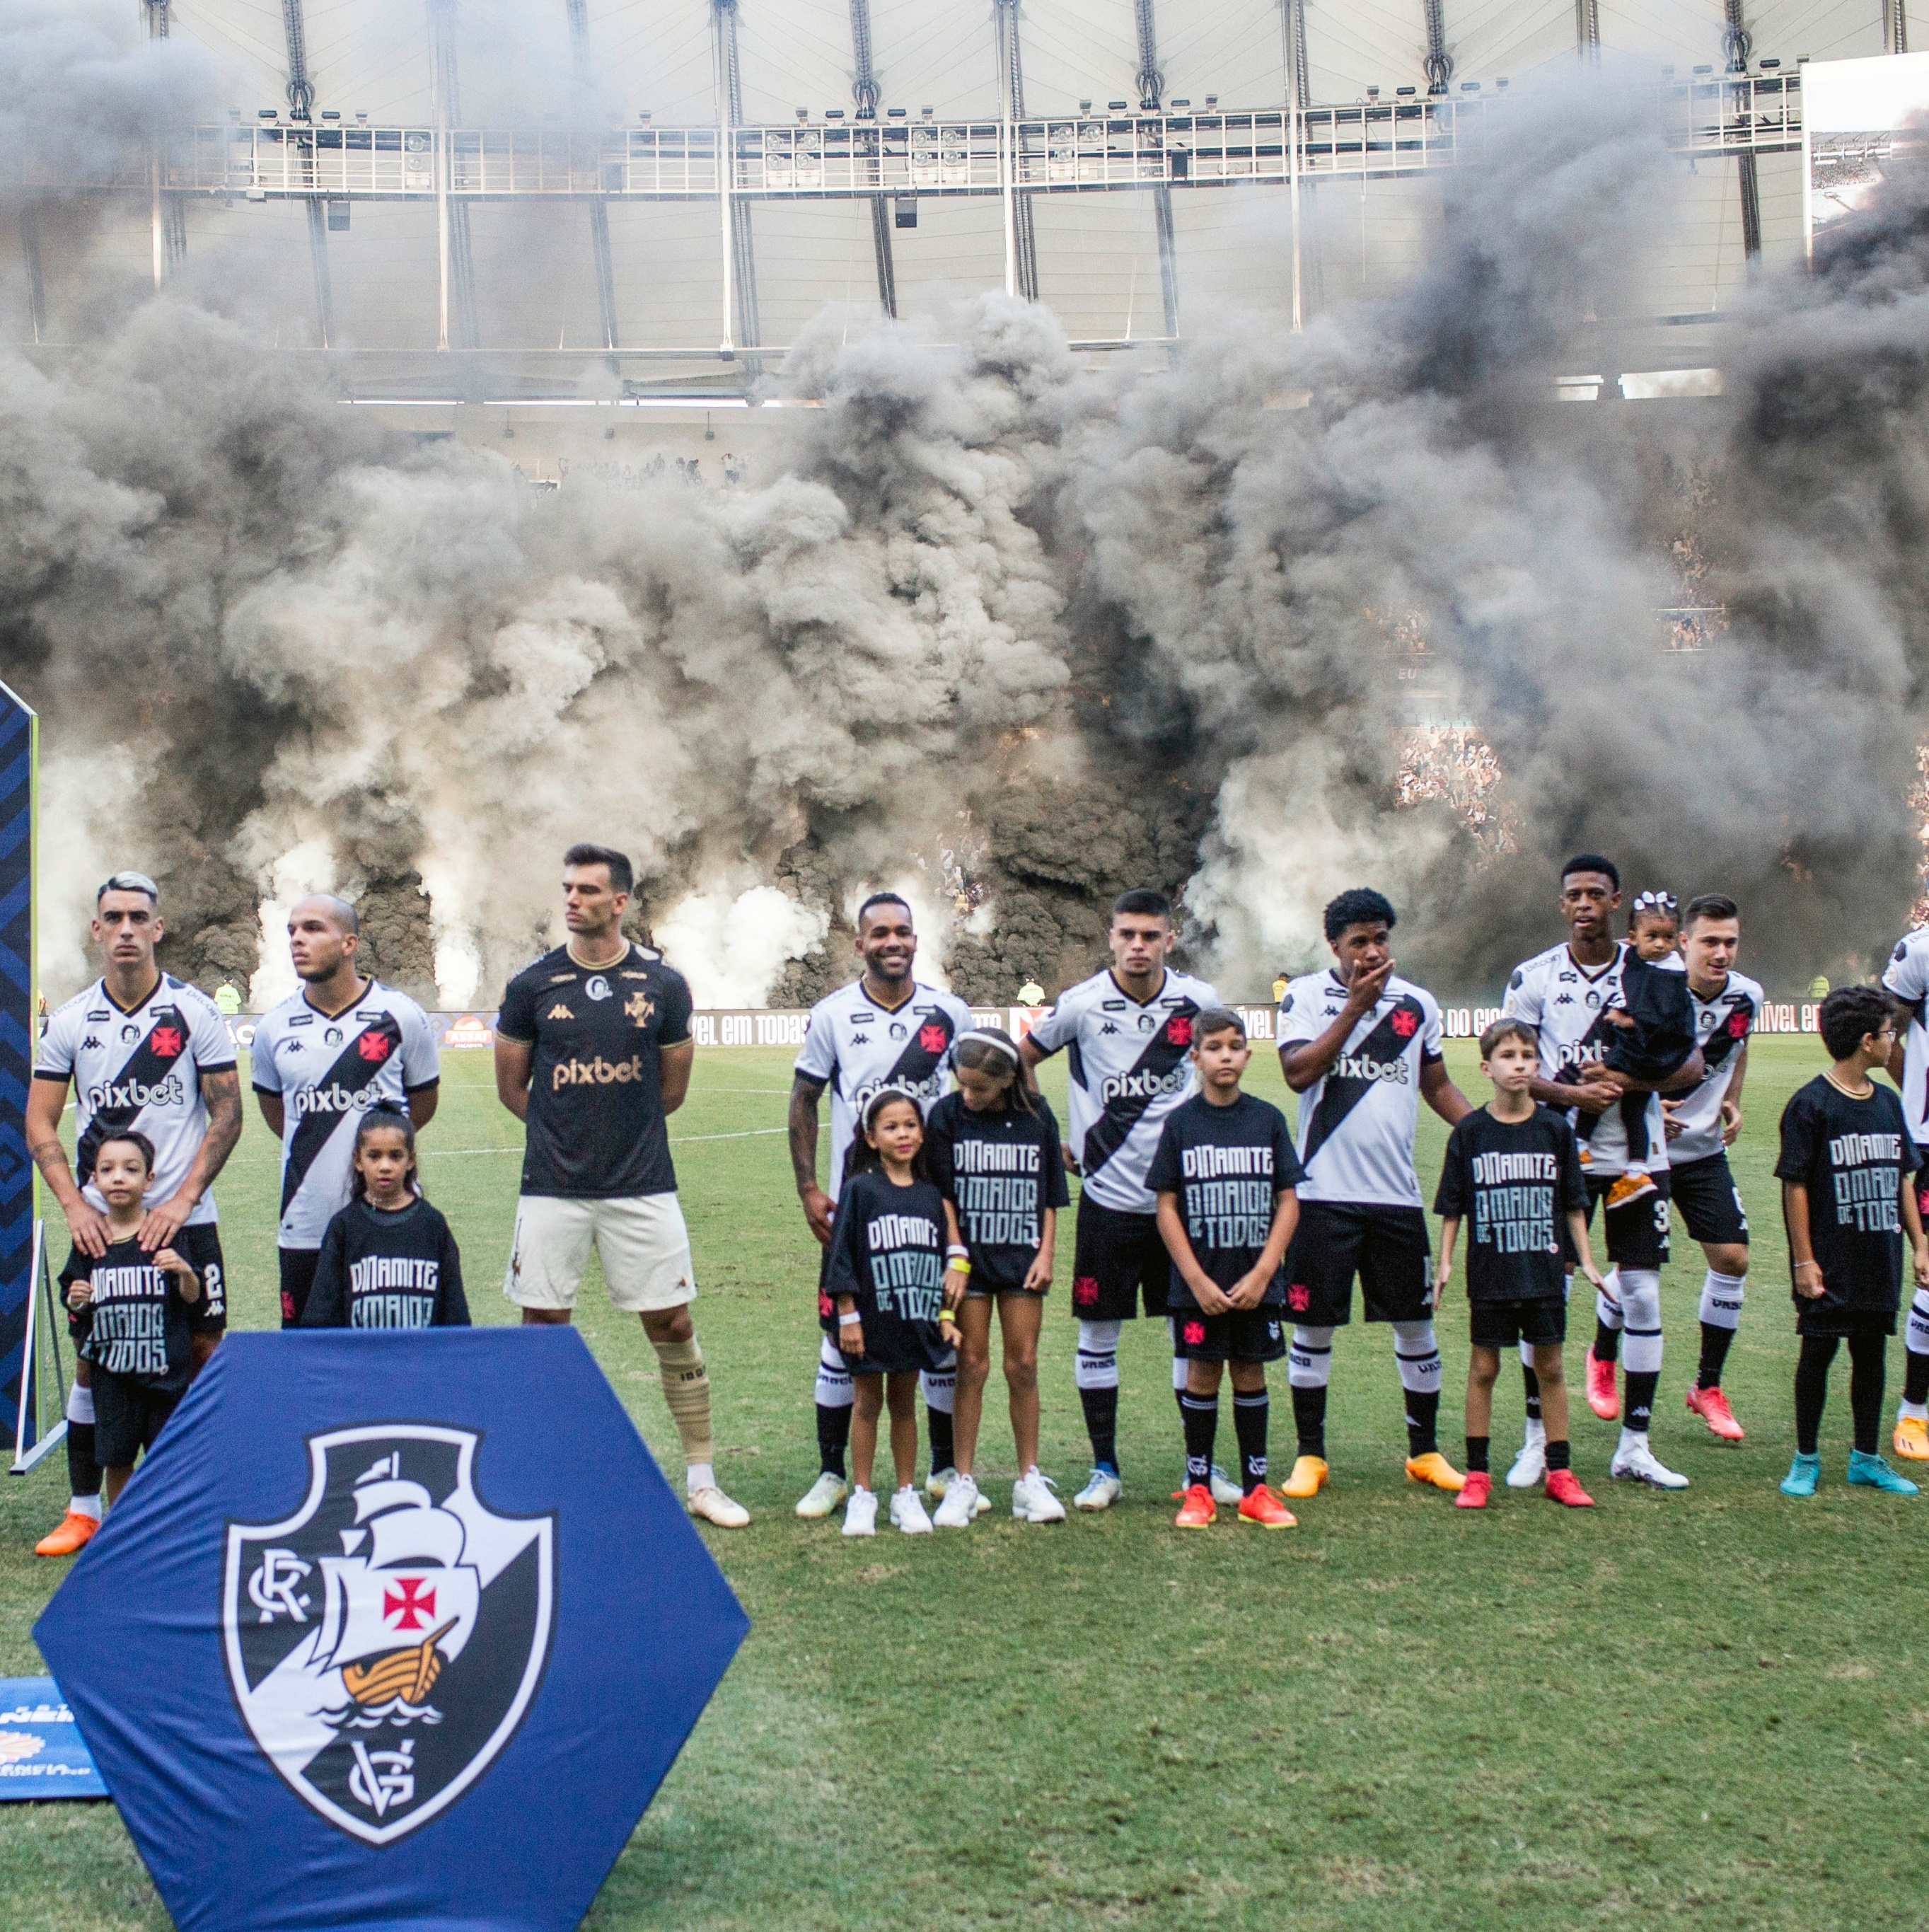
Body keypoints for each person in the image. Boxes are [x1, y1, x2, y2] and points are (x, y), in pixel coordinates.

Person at [494, 844, 746, 1529]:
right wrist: (566, 1134)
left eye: (587, 890)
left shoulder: (663, 985)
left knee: (672, 1322)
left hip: (641, 1184)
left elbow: (671, 1090)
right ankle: (546, 1477)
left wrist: (617, 1132)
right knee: (542, 1329)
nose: (572, 899)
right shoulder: (532, 985)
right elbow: (513, 1088)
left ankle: (701, 1477)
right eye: (568, 888)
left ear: (620, 901)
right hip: (553, 1186)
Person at [27, 872, 241, 1558]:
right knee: (96, 1359)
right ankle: (84, 1508)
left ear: (158, 927)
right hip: (103, 1223)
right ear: (97, 930)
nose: (125, 928)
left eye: (137, 917)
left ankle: (199, 1501)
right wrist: (71, 1206)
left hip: (186, 1218)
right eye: (112, 917)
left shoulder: (194, 1011)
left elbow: (229, 1114)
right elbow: (38, 1122)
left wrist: (180, 1201)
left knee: (203, 1353)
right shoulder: (70, 1022)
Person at [1502, 855, 1703, 1491]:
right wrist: (1569, 1098)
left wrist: (1626, 1080)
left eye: (1596, 893)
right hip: (1560, 1161)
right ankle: (1537, 1438)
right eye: (1573, 895)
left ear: (1616, 901)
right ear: (1561, 904)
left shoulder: (1652, 969)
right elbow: (1512, 1068)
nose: (1584, 903)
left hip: (1638, 1158)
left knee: (1640, 1292)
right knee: (1548, 1298)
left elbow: (1691, 1067)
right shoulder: (1533, 976)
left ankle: (1634, 1446)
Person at [1019, 889, 1224, 1512]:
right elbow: (1021, 1058)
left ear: (1169, 939)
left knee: (1189, 1336)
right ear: (1109, 938)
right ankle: (1103, 1467)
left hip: (1181, 1204)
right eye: (1127, 934)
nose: (1138, 946)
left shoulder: (1199, 1003)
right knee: (1097, 1334)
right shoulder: (1081, 1004)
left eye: (1150, 935)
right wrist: (1048, 1130)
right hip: (1106, 1201)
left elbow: (1223, 1064)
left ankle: (1201, 1472)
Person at [1275, 889, 1473, 1499]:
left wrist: (1486, 1137)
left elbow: (1436, 1085)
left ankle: (1425, 1451)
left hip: (1396, 1198)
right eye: (1358, 940)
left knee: (1415, 1326)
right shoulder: (1306, 996)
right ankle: (1310, 1456)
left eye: (1379, 938)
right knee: (1312, 1328)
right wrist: (1355, 1011)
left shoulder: (1417, 1004)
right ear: (1333, 944)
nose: (1371, 950)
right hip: (1320, 1195)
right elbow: (1297, 1071)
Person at [789, 894, 975, 1519]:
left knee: (932, 1328)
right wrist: (808, 1187)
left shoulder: (949, 1013)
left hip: (926, 1205)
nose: (891, 941)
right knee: (841, 1337)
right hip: (856, 1206)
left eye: (902, 932)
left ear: (915, 940)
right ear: (860, 943)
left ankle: (944, 1467)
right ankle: (832, 1473)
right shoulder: (833, 1014)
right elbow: (804, 1099)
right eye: (879, 933)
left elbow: (979, 1094)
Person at [252, 895, 441, 1328]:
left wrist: (381, 1151)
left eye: (314, 929)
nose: (298, 940)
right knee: (307, 1351)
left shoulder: (401, 1016)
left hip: (388, 1217)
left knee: (394, 1345)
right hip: (305, 1221)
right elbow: (277, 1115)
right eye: (293, 931)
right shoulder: (274, 1027)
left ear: (349, 943)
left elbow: (422, 1105)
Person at [1435, 1019, 1599, 1510]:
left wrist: (1587, 1261)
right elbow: (1452, 1205)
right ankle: (1477, 1475)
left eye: (1527, 1055)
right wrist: (1444, 1263)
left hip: (1543, 1269)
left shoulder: (1553, 1129)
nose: (1519, 1064)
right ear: (1486, 1066)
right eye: (1508, 1056)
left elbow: (1573, 1203)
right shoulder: (1470, 1132)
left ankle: (1560, 1470)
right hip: (1490, 1271)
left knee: (1549, 1366)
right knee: (1483, 1367)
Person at [1147, 1010, 1302, 1529]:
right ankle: (1198, 1488)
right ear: (1195, 1057)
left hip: (1255, 1280)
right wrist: (1194, 1278)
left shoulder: (1267, 1119)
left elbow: (1288, 1200)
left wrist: (1264, 1271)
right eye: (1213, 1047)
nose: (1225, 1055)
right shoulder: (1181, 1123)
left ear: (1247, 1053)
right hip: (1200, 1283)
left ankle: (1257, 1487)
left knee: (1251, 1371)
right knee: (1202, 1373)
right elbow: (1165, 1205)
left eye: (1235, 1045)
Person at [1776, 986, 1925, 1496]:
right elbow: (1794, 1184)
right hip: (1828, 1260)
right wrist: (1804, 1260)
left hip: (1876, 1258)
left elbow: (1902, 1177)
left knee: (1870, 1353)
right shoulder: (1810, 1104)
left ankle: (1865, 1456)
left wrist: (1920, 1244)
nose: (1893, 1042)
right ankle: (1805, 1457)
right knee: (1817, 1352)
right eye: (1889, 1033)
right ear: (1866, 1041)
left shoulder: (1887, 1101)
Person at [925, 1029, 1069, 1525]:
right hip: (969, 1262)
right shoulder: (946, 1116)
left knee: (1023, 1364)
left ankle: (1028, 1477)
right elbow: (941, 1192)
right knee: (971, 1362)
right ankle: (962, 1481)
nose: (968, 1095)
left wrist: (1046, 1254)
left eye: (979, 1088)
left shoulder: (1036, 1116)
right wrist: (955, 1253)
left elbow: (1052, 1192)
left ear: (1008, 1079)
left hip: (1022, 1257)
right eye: (962, 1084)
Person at [823, 1090, 951, 1537]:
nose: (903, 1134)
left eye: (911, 1125)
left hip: (911, 1316)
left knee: (904, 1405)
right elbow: (840, 1256)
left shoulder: (931, 1196)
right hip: (868, 1319)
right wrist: (848, 1314)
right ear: (871, 1137)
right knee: (867, 1403)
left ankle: (905, 1494)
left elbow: (938, 1263)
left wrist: (944, 1316)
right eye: (891, 1127)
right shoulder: (860, 1190)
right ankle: (862, 1495)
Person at [59, 1131, 204, 1504]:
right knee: (118, 1461)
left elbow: (192, 1298)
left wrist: (184, 1271)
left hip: (165, 1377)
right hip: (113, 1379)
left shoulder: (164, 1235)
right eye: (107, 1169)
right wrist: (77, 1299)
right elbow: (74, 1304)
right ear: (94, 1178)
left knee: (167, 1461)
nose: (119, 1177)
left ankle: (168, 1531)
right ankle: (123, 1535)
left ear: (149, 1179)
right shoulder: (90, 1240)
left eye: (130, 1169)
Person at [1664, 894, 1761, 1441]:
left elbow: (1738, 1046)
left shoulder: (1748, 995)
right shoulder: (1654, 991)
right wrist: (1646, 1108)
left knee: (1732, 1257)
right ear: (1684, 942)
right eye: (1709, 941)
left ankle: (1706, 1385)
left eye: (1728, 942)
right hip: (1643, 1151)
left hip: (1701, 1151)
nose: (1720, 952)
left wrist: (1732, 1099)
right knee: (1636, 1269)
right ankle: (1602, 1356)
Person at [301, 1109, 470, 1329]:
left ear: (410, 1160)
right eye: (374, 1156)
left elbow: (455, 1310)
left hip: (420, 1359)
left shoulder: (432, 1225)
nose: (385, 1166)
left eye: (395, 1156)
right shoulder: (344, 1227)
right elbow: (321, 1316)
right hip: (363, 1359)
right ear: (358, 1160)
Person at [1879, 923, 1929, 1459]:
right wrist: (1915, 1090)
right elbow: (1886, 1032)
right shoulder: (1919, 950)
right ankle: (1913, 1410)